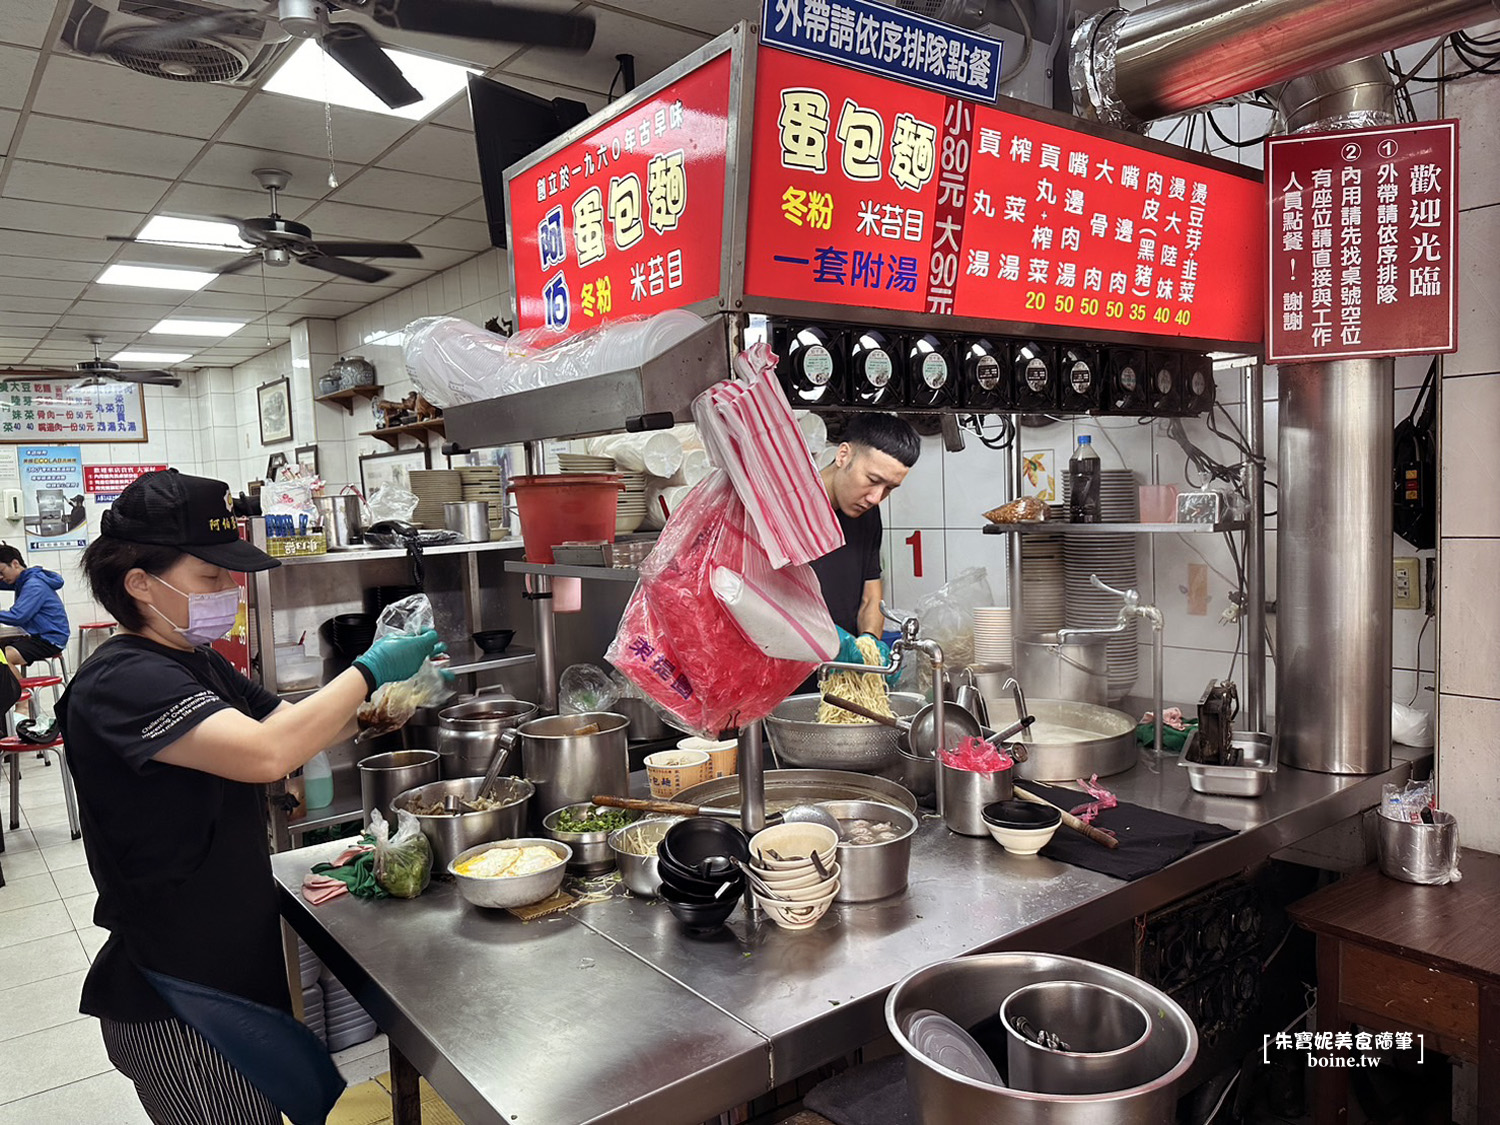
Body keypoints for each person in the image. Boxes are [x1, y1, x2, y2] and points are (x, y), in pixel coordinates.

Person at [58, 469, 450, 1125]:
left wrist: (389, 701)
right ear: (139, 582)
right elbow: (269, 755)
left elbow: (285, 730)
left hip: (231, 964)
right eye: (211, 576)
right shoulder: (121, 681)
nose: (230, 590)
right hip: (178, 992)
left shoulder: (195, 659)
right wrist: (371, 667)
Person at [810, 413, 921, 665]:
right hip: (784, 681)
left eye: (889, 488)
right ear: (843, 455)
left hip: (841, 676)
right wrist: (828, 641)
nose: (875, 498)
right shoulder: (791, 509)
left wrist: (870, 644)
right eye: (872, 480)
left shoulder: (868, 515)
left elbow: (871, 597)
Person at [0, 543, 70, 679]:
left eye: (1, 572)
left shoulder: (34, 585)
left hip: (50, 640)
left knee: (4, 656)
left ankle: (22, 698)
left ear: (15, 564)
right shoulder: (23, 580)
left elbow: (18, 616)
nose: (0, 577)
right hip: (40, 636)